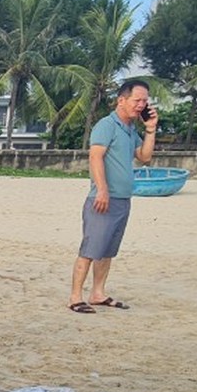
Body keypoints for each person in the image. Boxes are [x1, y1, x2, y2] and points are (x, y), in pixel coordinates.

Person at [68, 78, 156, 315]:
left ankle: (98, 293)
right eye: (137, 100)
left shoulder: (129, 130)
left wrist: (150, 129)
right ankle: (75, 297)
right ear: (122, 100)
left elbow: (145, 156)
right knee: (90, 248)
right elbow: (96, 157)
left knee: (107, 250)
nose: (141, 105)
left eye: (144, 102)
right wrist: (102, 189)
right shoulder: (107, 125)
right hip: (102, 199)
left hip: (123, 199)